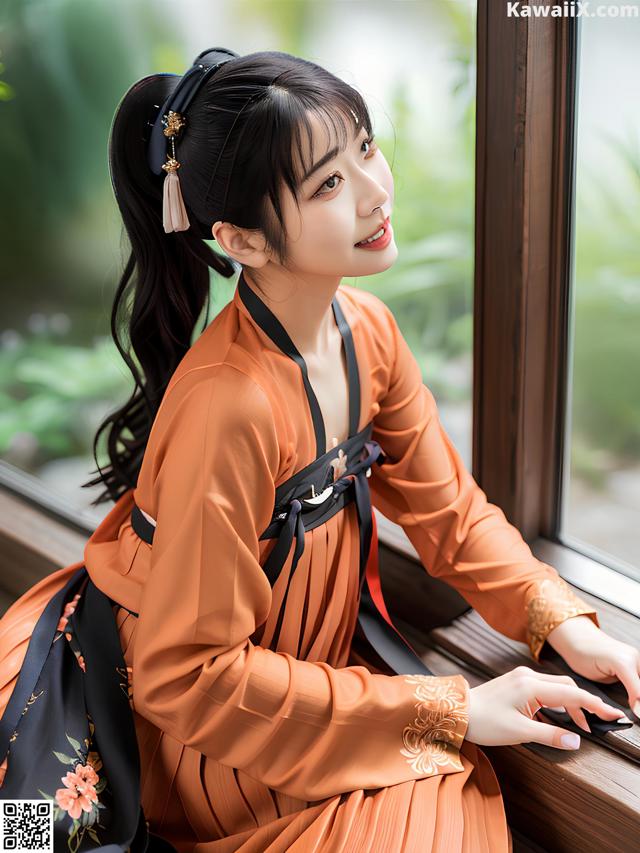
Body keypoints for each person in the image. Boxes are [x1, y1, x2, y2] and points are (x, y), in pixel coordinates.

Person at [1, 47, 638, 853]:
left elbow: (449, 513)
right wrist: (451, 707)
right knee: (444, 798)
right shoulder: (226, 406)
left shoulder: (366, 332)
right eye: (329, 184)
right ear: (242, 239)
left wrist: (561, 620)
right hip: (190, 731)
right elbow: (185, 676)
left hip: (292, 679)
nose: (376, 192)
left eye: (365, 148)